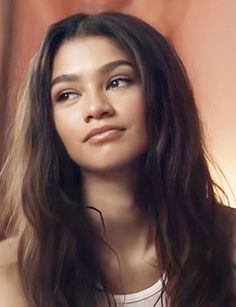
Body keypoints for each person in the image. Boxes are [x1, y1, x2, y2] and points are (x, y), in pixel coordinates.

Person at [0, 12, 235, 307]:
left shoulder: (229, 245)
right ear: (49, 122)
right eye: (68, 94)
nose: (96, 108)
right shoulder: (11, 274)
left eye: (117, 82)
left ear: (161, 92)